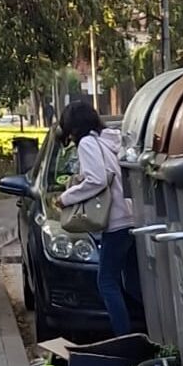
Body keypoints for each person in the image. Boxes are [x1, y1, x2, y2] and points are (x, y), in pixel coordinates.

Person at [57, 101, 143, 336]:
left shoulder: (87, 143)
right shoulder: (109, 139)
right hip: (131, 217)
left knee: (106, 282)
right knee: (135, 284)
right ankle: (146, 328)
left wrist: (66, 198)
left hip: (114, 220)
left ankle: (123, 337)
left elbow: (97, 180)